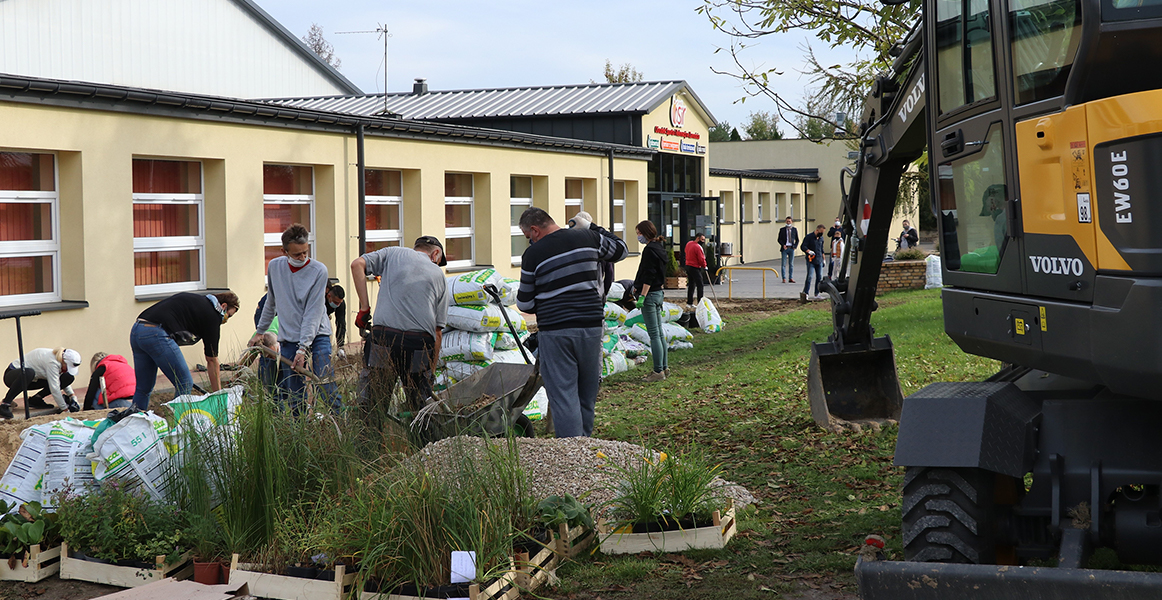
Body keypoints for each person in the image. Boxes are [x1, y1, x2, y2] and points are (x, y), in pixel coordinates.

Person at [517, 207, 628, 438]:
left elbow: (525, 304)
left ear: (535, 230)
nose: (529, 241)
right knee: (586, 394)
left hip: (555, 331)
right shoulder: (588, 238)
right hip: (591, 327)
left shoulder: (533, 255)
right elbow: (621, 250)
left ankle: (571, 456)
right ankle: (585, 447)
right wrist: (592, 227)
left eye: (528, 236)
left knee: (563, 396)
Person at [350, 235, 448, 415]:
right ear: (435, 254)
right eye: (439, 261)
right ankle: (423, 441)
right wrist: (431, 373)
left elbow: (357, 265)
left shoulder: (393, 252)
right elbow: (437, 332)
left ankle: (369, 440)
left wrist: (364, 308)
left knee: (373, 403)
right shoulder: (439, 276)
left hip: (384, 339)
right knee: (420, 406)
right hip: (418, 344)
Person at [251, 224, 338, 414]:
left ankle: (339, 423)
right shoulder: (275, 266)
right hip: (289, 336)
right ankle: (299, 431)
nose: (303, 257)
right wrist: (260, 332)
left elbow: (313, 312)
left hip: (317, 334)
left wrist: (303, 347)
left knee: (324, 382)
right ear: (284, 252)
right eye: (297, 254)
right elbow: (271, 301)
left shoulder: (318, 271)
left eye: (305, 252)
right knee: (294, 390)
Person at [132, 291, 239, 410]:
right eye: (229, 315)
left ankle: (134, 423)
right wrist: (218, 397)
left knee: (143, 389)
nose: (226, 320)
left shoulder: (196, 302)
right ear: (223, 306)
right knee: (185, 382)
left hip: (137, 330)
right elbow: (212, 360)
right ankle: (180, 425)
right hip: (156, 334)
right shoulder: (212, 315)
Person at [634, 220, 669, 382]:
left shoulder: (649, 251)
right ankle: (664, 367)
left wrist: (642, 295)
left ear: (646, 233)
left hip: (649, 295)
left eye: (639, 234)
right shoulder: (659, 249)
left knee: (654, 335)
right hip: (658, 293)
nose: (638, 237)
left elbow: (648, 275)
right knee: (660, 334)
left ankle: (657, 372)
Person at [1, 348, 82, 418]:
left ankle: (36, 400)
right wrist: (65, 410)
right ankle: (5, 404)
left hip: (33, 379)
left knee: (68, 377)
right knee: (28, 372)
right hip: (12, 375)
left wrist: (72, 396)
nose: (67, 369)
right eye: (68, 367)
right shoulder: (52, 362)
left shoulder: (60, 359)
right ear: (64, 361)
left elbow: (60, 380)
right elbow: (55, 388)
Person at [568, 211, 615, 299]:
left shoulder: (571, 242)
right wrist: (604, 292)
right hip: (595, 292)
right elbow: (610, 272)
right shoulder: (600, 242)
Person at [801, 224, 827, 301]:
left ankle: (817, 293)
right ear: (817, 230)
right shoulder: (809, 237)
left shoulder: (821, 238)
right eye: (821, 232)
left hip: (819, 260)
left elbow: (821, 249)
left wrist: (824, 259)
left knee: (819, 277)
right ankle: (806, 293)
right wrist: (808, 251)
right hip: (811, 260)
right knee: (809, 277)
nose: (821, 234)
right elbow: (803, 246)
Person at [684, 232, 707, 308]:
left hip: (688, 265)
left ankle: (689, 302)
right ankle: (700, 303)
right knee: (700, 284)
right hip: (695, 267)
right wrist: (705, 266)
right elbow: (701, 258)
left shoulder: (689, 244)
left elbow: (686, 252)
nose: (703, 241)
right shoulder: (698, 247)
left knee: (691, 284)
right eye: (702, 239)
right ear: (698, 238)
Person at [325, 282, 348, 356]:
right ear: (329, 296)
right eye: (335, 302)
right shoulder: (320, 298)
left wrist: (340, 346)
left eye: (339, 303)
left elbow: (341, 323)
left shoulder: (340, 304)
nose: (337, 305)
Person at [778, 216, 799, 283]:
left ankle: (790, 277)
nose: (788, 222)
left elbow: (797, 239)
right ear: (785, 222)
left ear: (791, 222)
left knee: (791, 264)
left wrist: (795, 246)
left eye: (789, 221)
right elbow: (779, 239)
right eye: (787, 221)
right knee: (783, 264)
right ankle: (784, 278)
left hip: (791, 248)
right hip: (785, 248)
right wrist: (783, 245)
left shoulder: (794, 229)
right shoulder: (782, 230)